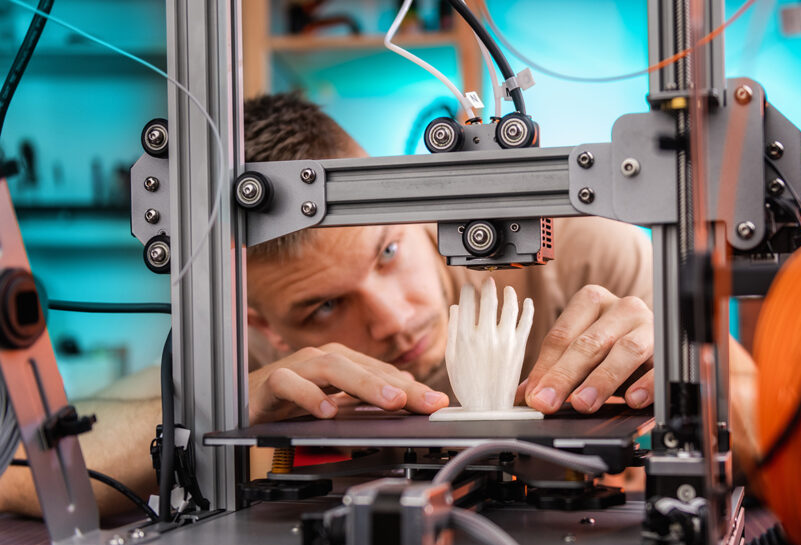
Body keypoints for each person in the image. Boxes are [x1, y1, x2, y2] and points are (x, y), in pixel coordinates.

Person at [0, 92, 760, 517]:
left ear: (414, 205)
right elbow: (27, 472)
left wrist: (694, 371)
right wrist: (233, 396)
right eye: (325, 307)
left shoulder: (585, 254)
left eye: (390, 250)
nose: (392, 318)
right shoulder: (256, 354)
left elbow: (774, 434)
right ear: (260, 321)